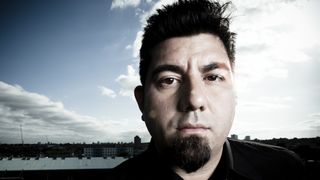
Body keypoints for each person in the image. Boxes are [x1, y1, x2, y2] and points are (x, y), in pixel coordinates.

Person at [111, 0, 305, 179]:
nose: (194, 100)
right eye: (169, 80)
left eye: (213, 77)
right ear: (142, 101)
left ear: (235, 94)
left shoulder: (287, 171)